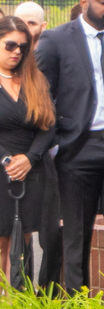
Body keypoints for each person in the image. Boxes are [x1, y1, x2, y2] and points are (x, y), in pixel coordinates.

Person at [36, 0, 104, 293]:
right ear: (84, 3)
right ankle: (77, 306)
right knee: (76, 236)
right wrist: (55, 144)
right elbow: (42, 97)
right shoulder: (56, 40)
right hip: (77, 150)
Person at [0, 17, 55, 283]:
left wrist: (30, 158)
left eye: (23, 47)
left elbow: (49, 125)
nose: (17, 52)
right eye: (10, 45)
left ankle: (18, 300)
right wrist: (6, 159)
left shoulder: (34, 80)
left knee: (23, 238)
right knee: (2, 240)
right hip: (3, 168)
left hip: (31, 170)